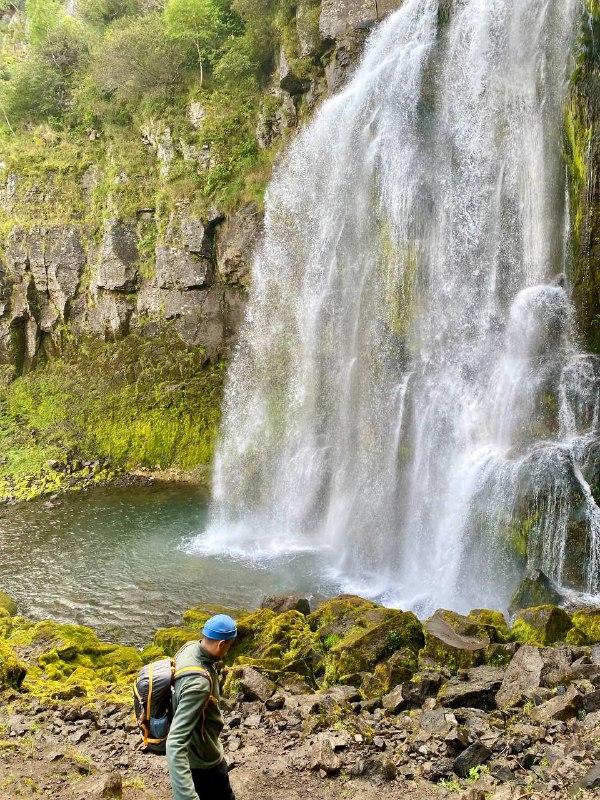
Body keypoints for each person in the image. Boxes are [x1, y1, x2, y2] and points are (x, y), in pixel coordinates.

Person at [166, 614, 237, 800]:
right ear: (221, 644)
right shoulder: (198, 685)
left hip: (197, 753)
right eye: (229, 646)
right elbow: (175, 742)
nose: (227, 651)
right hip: (205, 763)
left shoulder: (189, 648)